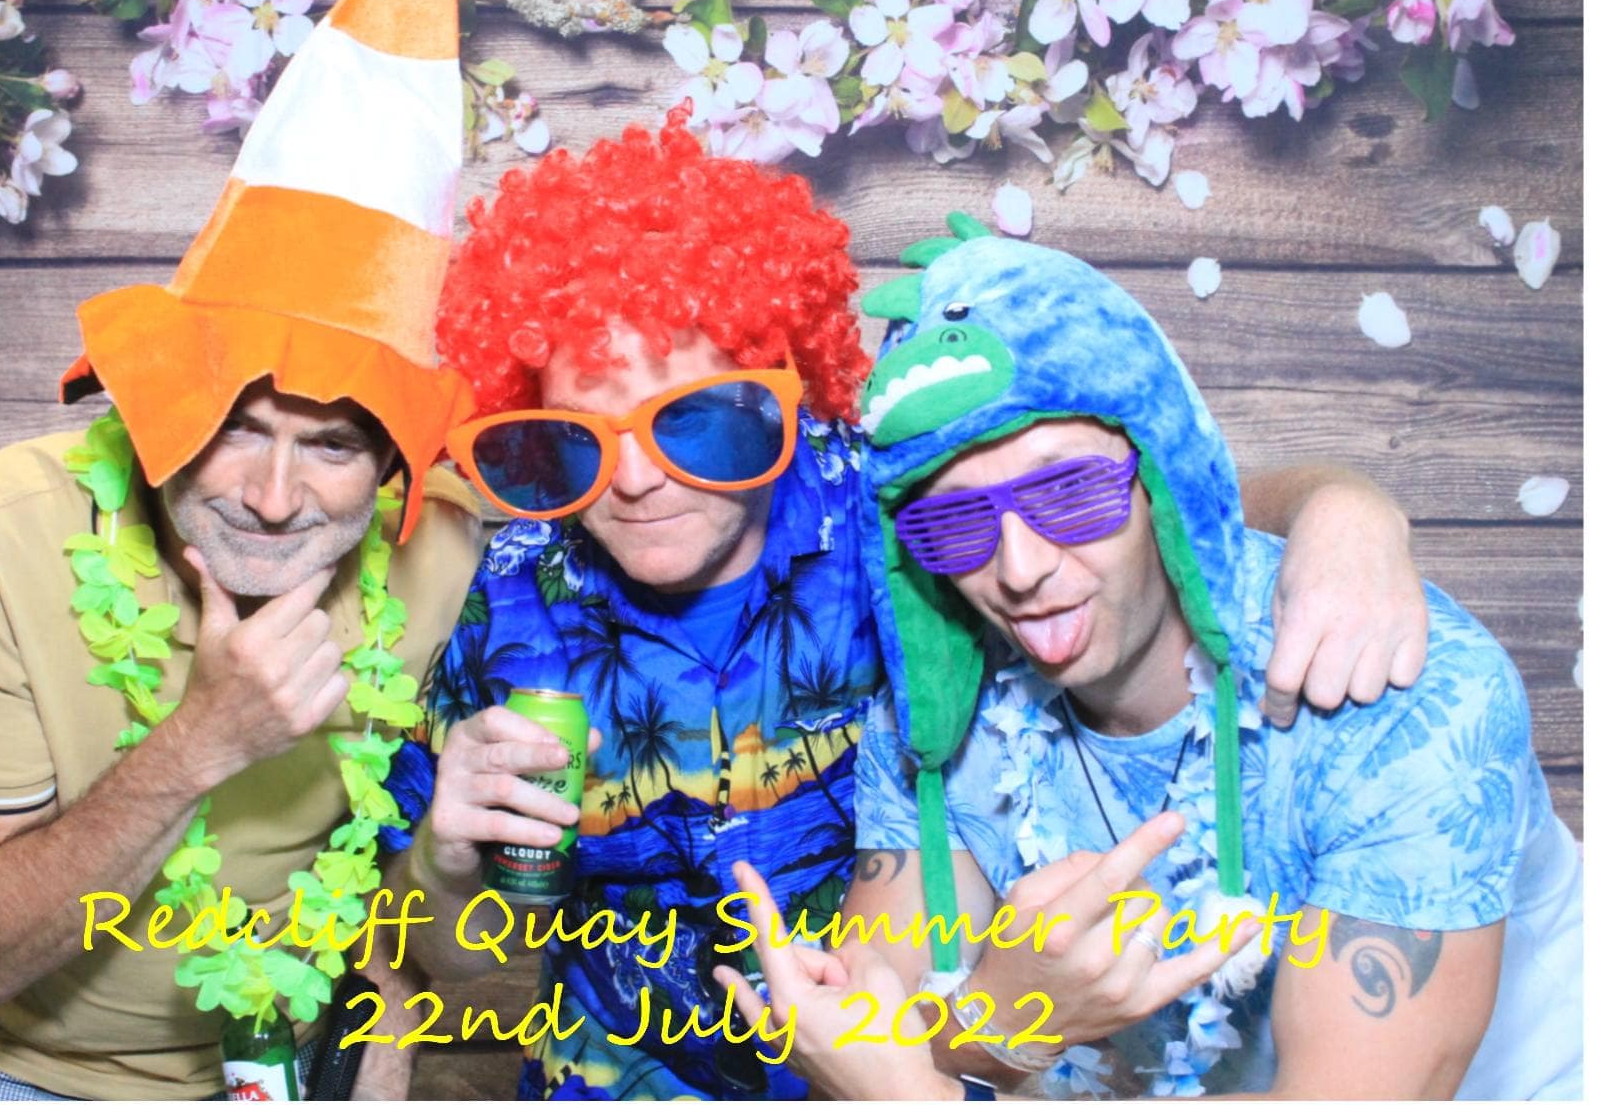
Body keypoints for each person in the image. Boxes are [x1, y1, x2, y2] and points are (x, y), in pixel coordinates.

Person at [383, 118, 1435, 1100]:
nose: (636, 479)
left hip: (903, 1063)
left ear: (777, 378)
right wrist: (441, 859)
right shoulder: (512, 595)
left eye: (694, 421)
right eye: (578, 438)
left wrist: (1346, 511)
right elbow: (446, 956)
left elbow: (1159, 502)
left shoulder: (889, 504)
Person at [720, 222, 1583, 1099]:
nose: (1019, 568)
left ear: (1161, 475)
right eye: (954, 521)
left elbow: (899, 1072)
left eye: (1069, 491)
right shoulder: (936, 708)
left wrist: (928, 1086)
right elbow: (876, 1033)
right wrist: (1004, 1017)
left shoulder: (1406, 702)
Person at [0, 0, 479, 1099]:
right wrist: (202, 741)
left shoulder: (449, 548)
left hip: (305, 1064)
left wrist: (390, 1022)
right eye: (236, 428)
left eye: (331, 446)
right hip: (33, 1074)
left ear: (392, 466)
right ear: (168, 403)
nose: (272, 499)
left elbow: (420, 875)